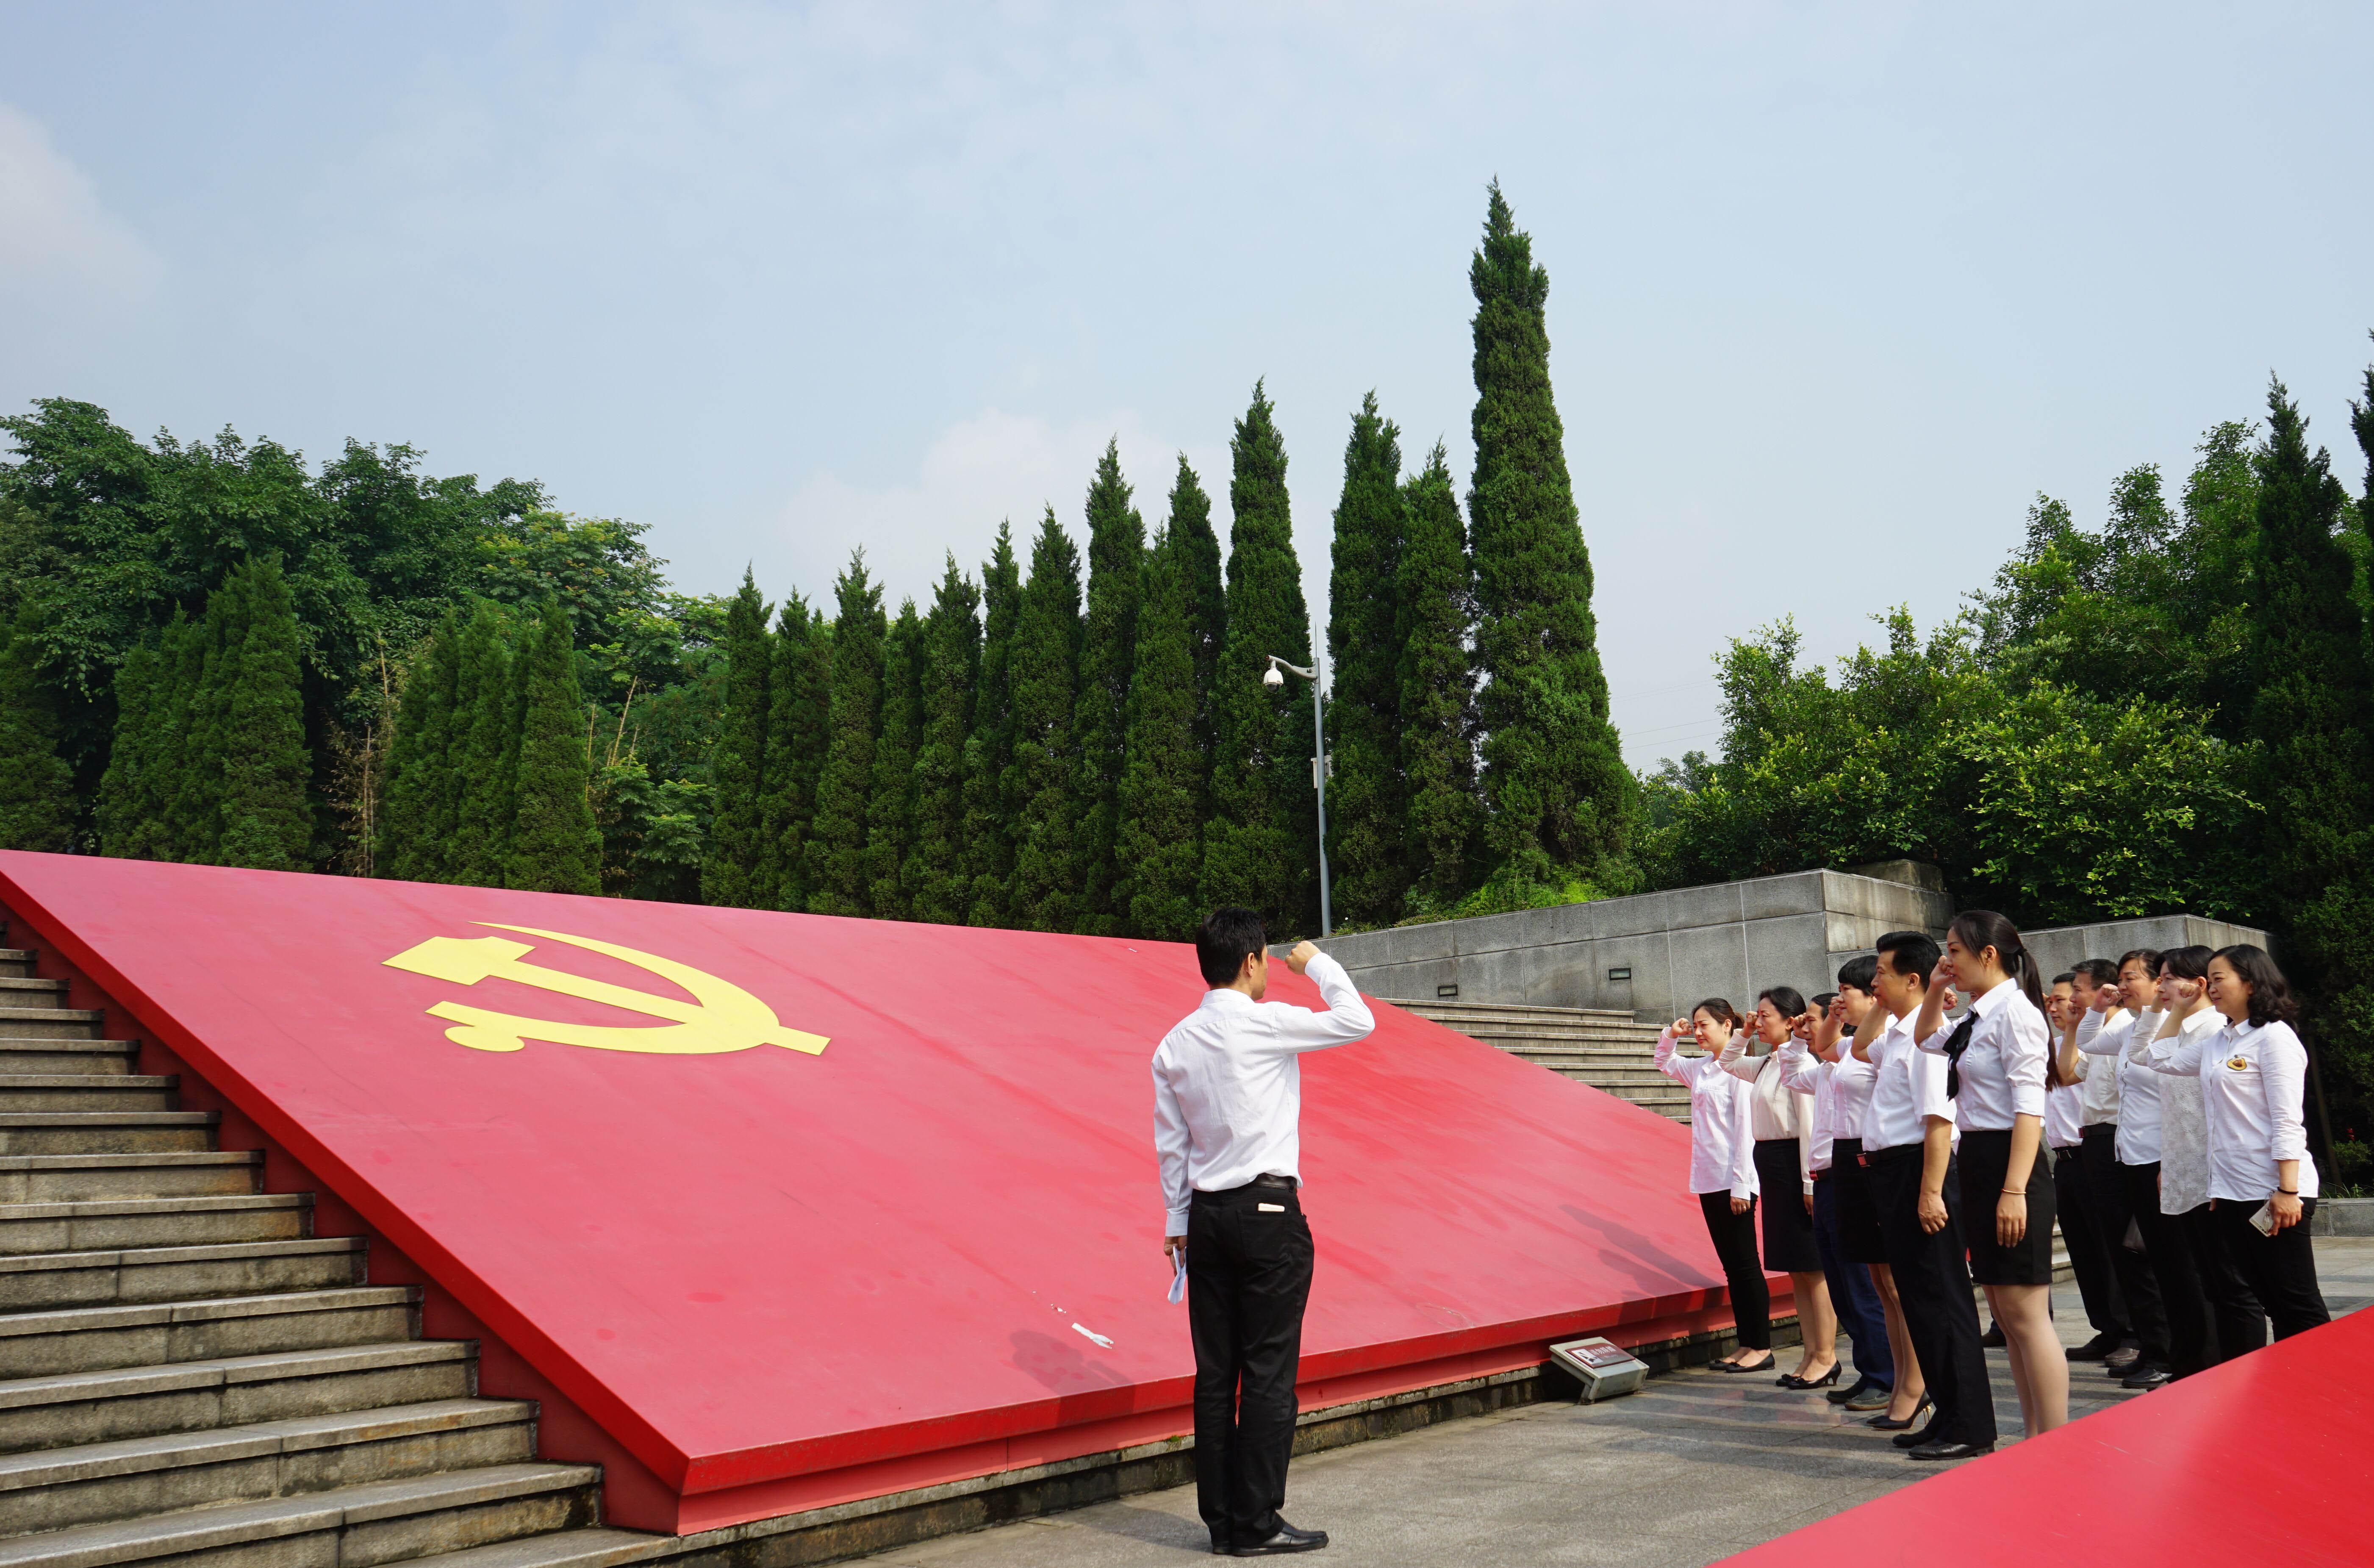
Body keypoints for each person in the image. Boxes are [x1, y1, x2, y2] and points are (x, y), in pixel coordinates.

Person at [1154, 908, 1375, 1557]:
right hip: (1269, 1214)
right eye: (1271, 961)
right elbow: (1358, 1019)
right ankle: (1257, 1522)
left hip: (1206, 1217)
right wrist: (1318, 966)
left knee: (1216, 1373)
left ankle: (1222, 1523)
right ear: (1250, 962)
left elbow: (1172, 1145)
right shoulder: (1266, 1021)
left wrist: (1176, 1221)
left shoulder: (1174, 1042)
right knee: (1270, 1372)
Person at [1917, 911, 2066, 1440]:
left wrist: (2013, 1190)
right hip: (1980, 1158)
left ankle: (2053, 1437)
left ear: (1988, 954)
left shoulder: (2017, 1015)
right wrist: (1935, 988)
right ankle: (2034, 1435)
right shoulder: (1980, 1015)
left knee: (2026, 1313)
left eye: (1954, 951)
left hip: (2011, 1162)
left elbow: (2031, 1110)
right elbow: (1928, 1040)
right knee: (2005, 1313)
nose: (1947, 961)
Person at [1855, 930, 1994, 1460]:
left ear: (1912, 978)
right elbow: (1862, 1046)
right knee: (1920, 1302)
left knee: (1943, 1301)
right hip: (1892, 1171)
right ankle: (1944, 1415)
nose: (1873, 983)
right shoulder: (1899, 1032)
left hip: (1921, 1170)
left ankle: (1971, 1424)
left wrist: (1931, 1192)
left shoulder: (1930, 1039)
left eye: (1883, 973)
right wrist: (1887, 1002)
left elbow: (1939, 1121)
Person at [2158, 945, 2331, 1340]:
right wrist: (2178, 1010)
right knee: (2269, 1299)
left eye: (2220, 979)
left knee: (2297, 1302)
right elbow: (2160, 1058)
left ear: (2251, 984)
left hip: (2274, 1189)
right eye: (2211, 980)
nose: (2212, 988)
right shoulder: (2220, 1040)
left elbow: (2287, 1118)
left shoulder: (2274, 1038)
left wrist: (2288, 1190)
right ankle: (2292, 1388)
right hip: (2233, 1191)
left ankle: (2332, 1392)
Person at [2141, 946, 2264, 1369]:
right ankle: (2225, 1370)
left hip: (2218, 1175)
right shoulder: (2191, 1031)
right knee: (2212, 1281)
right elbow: (2155, 1060)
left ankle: (2248, 1370)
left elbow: (2223, 1112)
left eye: (2168, 978)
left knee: (2233, 1282)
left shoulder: (2218, 1031)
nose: (2161, 986)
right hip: (2187, 1168)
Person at [1783, 965, 1898, 1413]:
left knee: (1867, 1284)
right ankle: (1871, 1370)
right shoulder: (1838, 1056)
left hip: (1863, 1168)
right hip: (1830, 1176)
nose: (1841, 1001)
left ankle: (1888, 1374)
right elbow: (1803, 1064)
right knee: (1843, 1282)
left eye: (1850, 991)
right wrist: (1807, 1032)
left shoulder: (1875, 1049)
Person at [1722, 986, 1837, 1388]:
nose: (1759, 1020)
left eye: (1766, 1015)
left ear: (1791, 1022)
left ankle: (1826, 1355)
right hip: (1770, 1165)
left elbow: (1810, 1126)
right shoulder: (1767, 1063)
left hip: (1794, 1165)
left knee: (1814, 1269)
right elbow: (1727, 1061)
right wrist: (1744, 1030)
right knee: (1796, 1270)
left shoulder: (1801, 1061)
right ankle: (1809, 1354)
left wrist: (1809, 1181)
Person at [1655, 1000, 1769, 1372]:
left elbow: (1745, 1132)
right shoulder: (1701, 1068)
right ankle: (1746, 1342)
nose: (1699, 1033)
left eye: (1705, 1025)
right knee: (1731, 1267)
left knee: (1747, 1264)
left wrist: (1741, 1184)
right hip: (1708, 1177)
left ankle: (1761, 1347)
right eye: (1697, 1026)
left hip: (1734, 1180)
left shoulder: (1737, 1071)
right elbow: (1664, 1062)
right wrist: (1672, 1034)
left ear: (1727, 1026)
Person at [2079, 950, 2176, 1389]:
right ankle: (2154, 1348)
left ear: (2160, 982)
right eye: (2120, 977)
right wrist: (2098, 1007)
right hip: (2129, 1156)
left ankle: (2171, 1349)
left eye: (2131, 976)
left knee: (2162, 1263)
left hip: (2160, 1157)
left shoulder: (2168, 1027)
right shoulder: (2130, 1028)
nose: (2123, 984)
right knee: (2134, 1258)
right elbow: (2086, 1042)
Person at [2062, 957, 2149, 1371]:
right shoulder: (2105, 1033)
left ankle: (2139, 1334)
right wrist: (2075, 1023)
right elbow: (2067, 1072)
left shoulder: (2128, 1032)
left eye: (2079, 989)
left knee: (2125, 1247)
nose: (2073, 997)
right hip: (2092, 1143)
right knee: (2097, 1247)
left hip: (2118, 1139)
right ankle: (2118, 1329)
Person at [2047, 972, 2131, 1365]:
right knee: (2083, 1251)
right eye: (2056, 1000)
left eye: (2066, 997)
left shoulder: (2116, 1036)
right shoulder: (2068, 1043)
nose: (2059, 1005)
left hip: (2098, 1152)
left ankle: (2130, 1330)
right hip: (2064, 1161)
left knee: (2112, 1249)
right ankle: (2107, 1328)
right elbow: (2065, 1074)